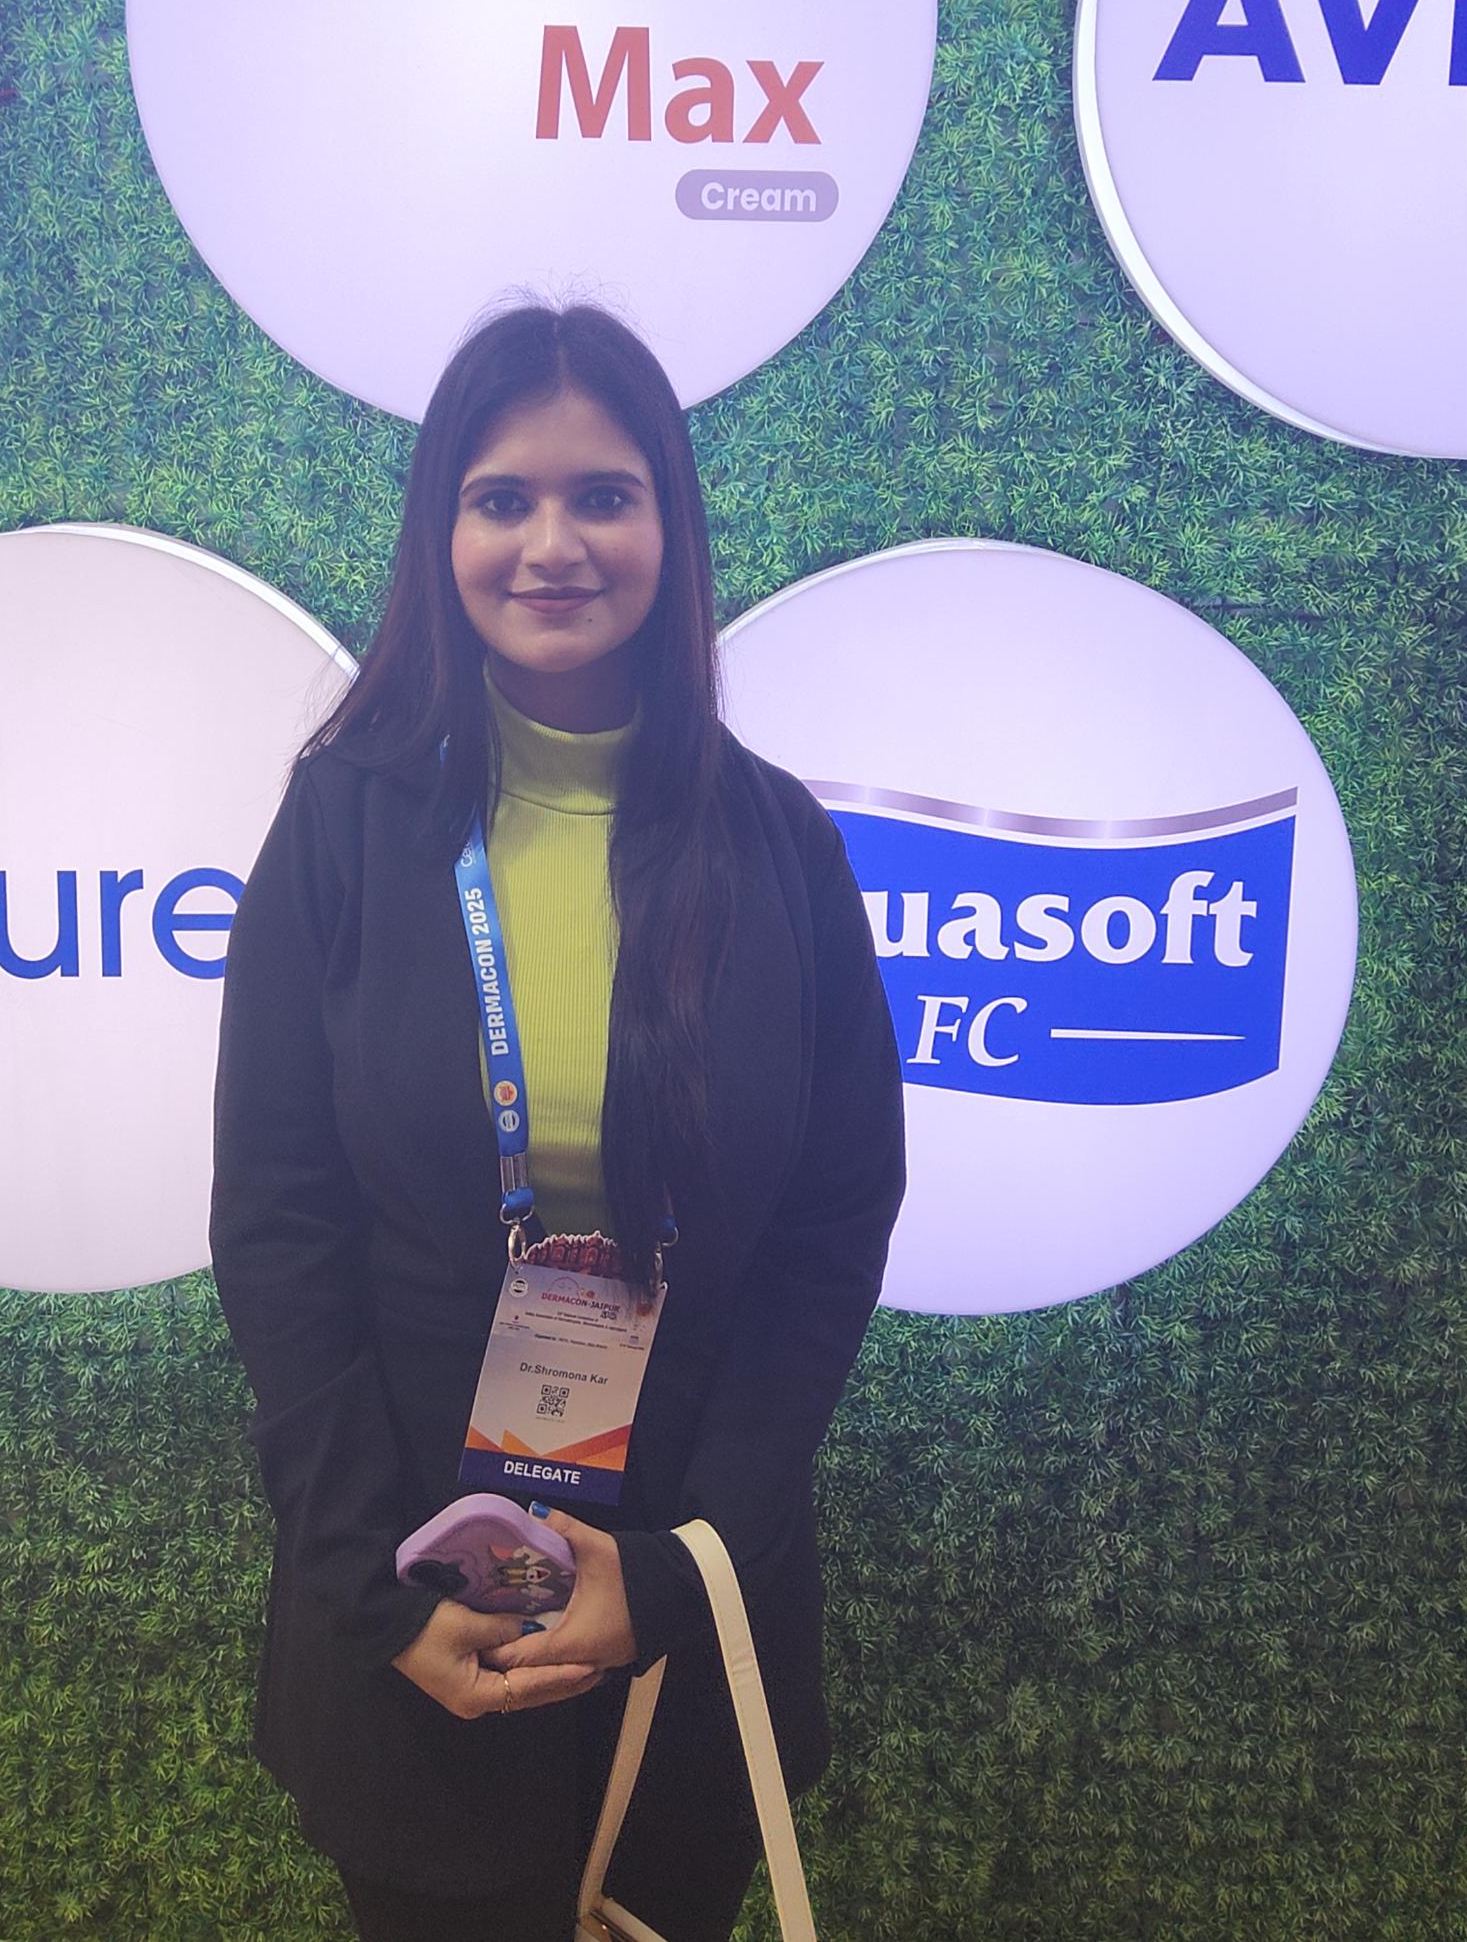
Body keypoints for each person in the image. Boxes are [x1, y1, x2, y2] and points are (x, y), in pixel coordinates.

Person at [210, 302, 905, 1942]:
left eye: (603, 495)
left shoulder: (778, 844)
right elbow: (279, 1223)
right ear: (439, 529)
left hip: (687, 1598)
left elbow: (831, 1230)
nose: (552, 544)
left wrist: (680, 1568)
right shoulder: (346, 822)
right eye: (501, 497)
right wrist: (370, 1583)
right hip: (413, 1590)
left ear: (671, 523)